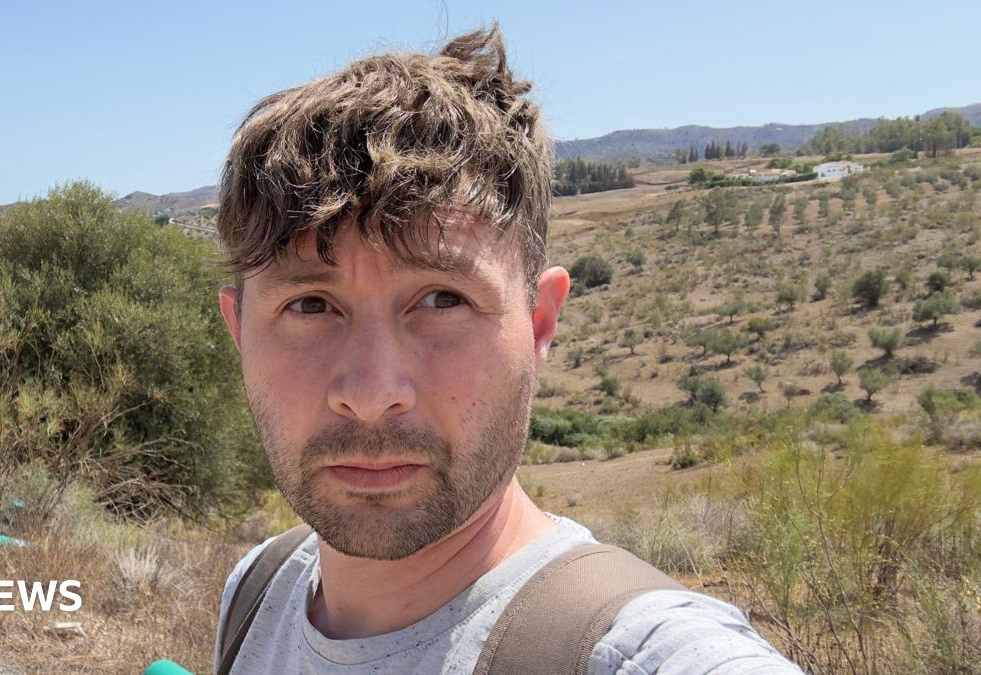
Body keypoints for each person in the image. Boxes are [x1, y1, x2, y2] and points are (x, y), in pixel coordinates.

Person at [210, 22, 801, 674]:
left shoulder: (640, 655)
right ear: (240, 334)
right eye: (310, 306)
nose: (372, 393)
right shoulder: (257, 593)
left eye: (441, 300)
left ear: (540, 321)